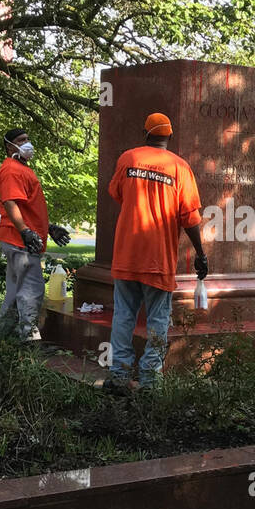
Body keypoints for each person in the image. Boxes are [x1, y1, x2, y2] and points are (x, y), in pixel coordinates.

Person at [106, 112, 208, 392]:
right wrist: (200, 253)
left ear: (145, 133)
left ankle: (119, 375)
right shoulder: (180, 168)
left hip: (126, 254)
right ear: (170, 136)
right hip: (158, 258)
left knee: (123, 316)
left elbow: (116, 193)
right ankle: (150, 380)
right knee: (158, 320)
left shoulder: (129, 159)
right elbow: (191, 217)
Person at [0, 128, 70, 341]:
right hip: (20, 242)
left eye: (28, 138)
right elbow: (10, 203)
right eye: (21, 140)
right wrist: (25, 232)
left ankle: (0, 337)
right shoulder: (11, 169)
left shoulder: (19, 168)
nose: (27, 143)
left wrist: (48, 228)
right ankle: (27, 337)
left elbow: (27, 208)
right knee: (31, 290)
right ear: (10, 146)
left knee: (15, 293)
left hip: (20, 239)